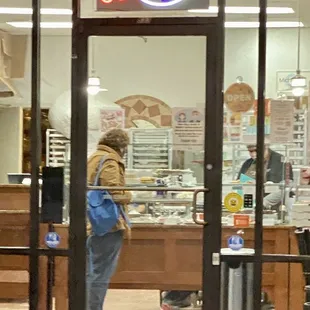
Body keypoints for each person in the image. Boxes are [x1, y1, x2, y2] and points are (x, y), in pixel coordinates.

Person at [86, 128, 132, 310]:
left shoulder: (94, 156)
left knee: (91, 271)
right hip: (107, 224)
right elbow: (114, 191)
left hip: (91, 220)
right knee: (101, 272)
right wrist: (129, 196)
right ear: (121, 146)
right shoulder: (111, 160)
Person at [237, 144, 293, 208]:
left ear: (266, 147)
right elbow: (239, 184)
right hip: (251, 205)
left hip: (275, 206)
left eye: (255, 150)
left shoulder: (280, 160)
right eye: (250, 151)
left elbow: (287, 185)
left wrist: (264, 202)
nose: (252, 154)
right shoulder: (248, 163)